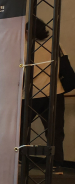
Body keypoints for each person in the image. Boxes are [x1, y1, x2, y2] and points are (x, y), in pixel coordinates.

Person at [24, 17, 73, 172]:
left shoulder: (24, 47)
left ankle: (20, 160)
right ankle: (56, 164)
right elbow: (65, 68)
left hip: (29, 96)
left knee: (21, 129)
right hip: (54, 93)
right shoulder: (55, 44)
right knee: (55, 131)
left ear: (27, 31)